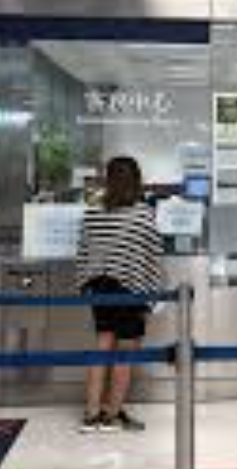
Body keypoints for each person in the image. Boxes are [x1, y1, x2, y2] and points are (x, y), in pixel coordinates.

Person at [75, 157, 164, 433]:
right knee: (125, 352)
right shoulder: (142, 214)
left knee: (102, 344)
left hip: (99, 287)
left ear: (108, 180)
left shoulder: (92, 212)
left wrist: (85, 284)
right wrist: (154, 291)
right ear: (136, 180)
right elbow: (153, 254)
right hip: (129, 287)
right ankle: (111, 415)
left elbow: (83, 252)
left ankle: (91, 414)